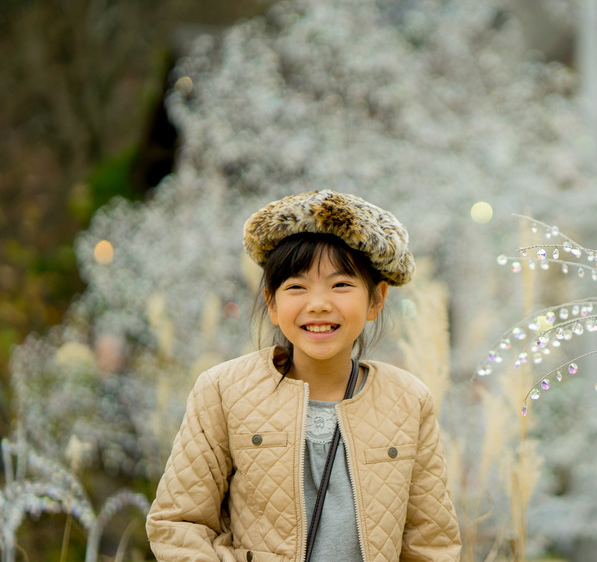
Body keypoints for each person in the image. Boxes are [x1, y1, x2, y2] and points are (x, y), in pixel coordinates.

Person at [146, 190, 461, 562]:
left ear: (376, 300)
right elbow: (179, 523)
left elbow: (431, 542)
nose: (318, 304)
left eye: (341, 285)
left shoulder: (408, 399)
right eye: (296, 287)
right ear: (272, 304)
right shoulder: (224, 390)